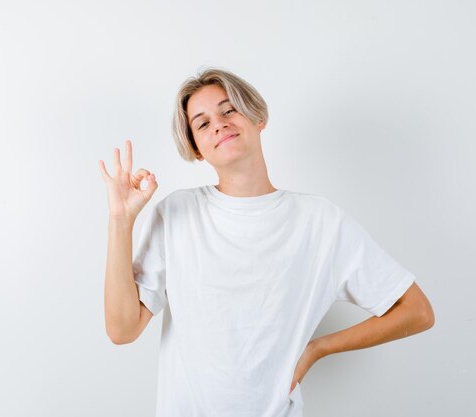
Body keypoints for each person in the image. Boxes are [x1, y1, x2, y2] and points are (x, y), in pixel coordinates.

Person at [98, 68, 435, 417]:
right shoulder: (177, 214)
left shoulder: (320, 222)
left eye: (229, 110)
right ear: (196, 149)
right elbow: (122, 330)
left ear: (257, 118)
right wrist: (121, 221)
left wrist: (317, 349)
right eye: (202, 123)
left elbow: (417, 311)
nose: (218, 123)